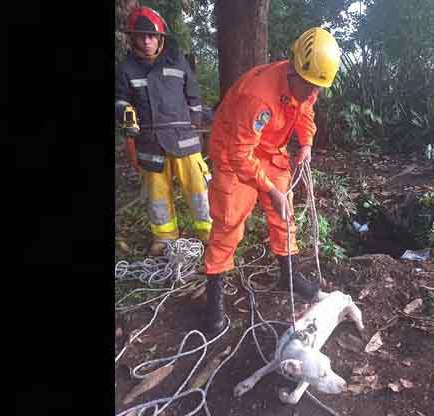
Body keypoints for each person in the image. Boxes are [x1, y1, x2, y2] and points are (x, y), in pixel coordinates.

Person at [201, 27, 341, 334]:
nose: (313, 94)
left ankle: (288, 275)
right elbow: (240, 154)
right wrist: (267, 189)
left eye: (319, 88)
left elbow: (305, 112)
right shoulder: (258, 97)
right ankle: (214, 295)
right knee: (228, 223)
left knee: (284, 215)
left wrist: (306, 143)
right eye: (310, 86)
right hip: (232, 154)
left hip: (269, 151)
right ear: (294, 69)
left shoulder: (307, 82)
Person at [116, 6, 212, 256]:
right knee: (157, 195)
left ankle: (208, 230)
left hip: (184, 139)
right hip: (149, 142)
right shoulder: (126, 69)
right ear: (133, 38)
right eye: (141, 36)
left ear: (160, 38)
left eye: (151, 36)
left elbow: (193, 94)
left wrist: (194, 118)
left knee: (197, 188)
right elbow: (120, 99)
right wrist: (125, 114)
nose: (147, 41)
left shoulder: (177, 61)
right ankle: (164, 237)